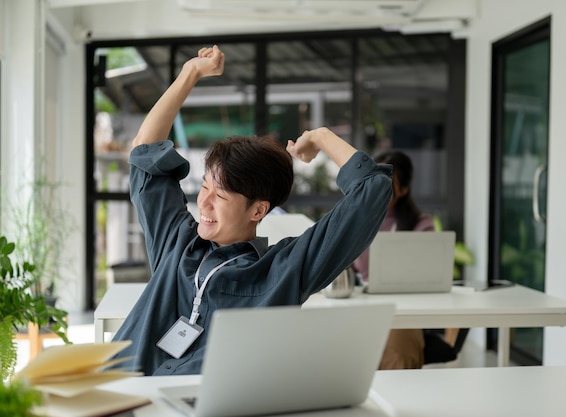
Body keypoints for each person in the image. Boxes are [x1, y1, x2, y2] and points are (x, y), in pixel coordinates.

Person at [111, 45, 393, 376]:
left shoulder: (284, 270)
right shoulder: (178, 243)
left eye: (221, 195)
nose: (204, 203)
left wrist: (321, 136)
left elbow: (372, 191)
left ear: (258, 210)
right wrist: (191, 73)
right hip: (123, 395)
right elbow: (145, 154)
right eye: (205, 187)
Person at [352, 150, 434, 370]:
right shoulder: (358, 219)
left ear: (404, 189)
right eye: (375, 178)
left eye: (387, 181)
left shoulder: (421, 226)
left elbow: (425, 275)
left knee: (395, 352)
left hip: (402, 310)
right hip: (360, 307)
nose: (378, 186)